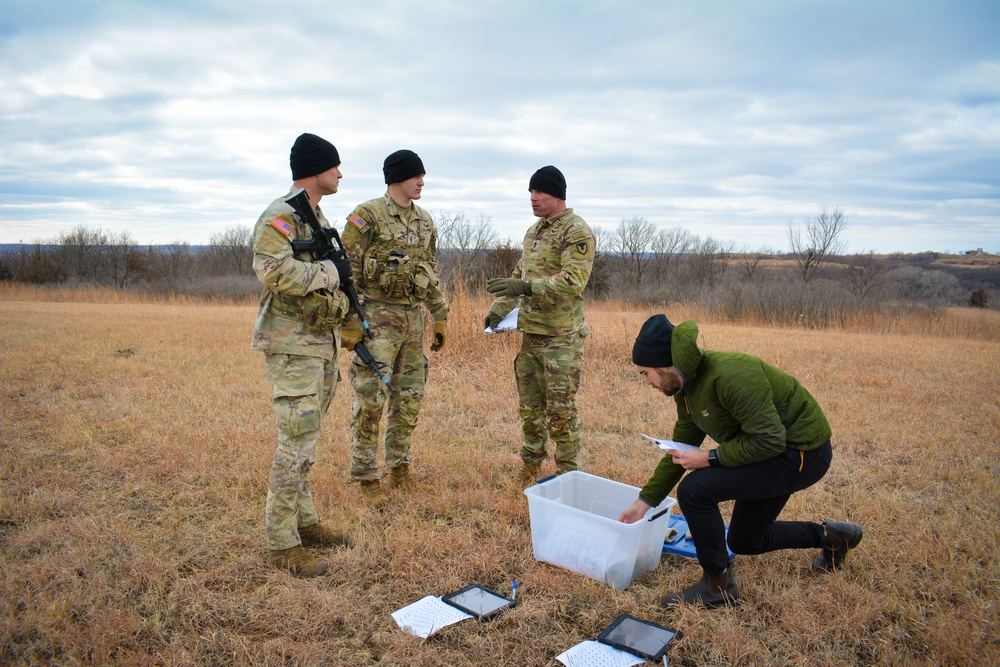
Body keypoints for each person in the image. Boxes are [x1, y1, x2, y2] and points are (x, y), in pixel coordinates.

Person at [617, 315, 863, 608]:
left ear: (665, 365)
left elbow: (770, 440)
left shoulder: (730, 375)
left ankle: (717, 587)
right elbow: (680, 451)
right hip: (771, 451)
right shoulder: (685, 391)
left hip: (802, 453)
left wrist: (710, 457)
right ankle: (834, 536)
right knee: (745, 541)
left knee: (695, 491)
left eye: (645, 373)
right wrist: (644, 503)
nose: (647, 382)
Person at [251, 132, 355, 577]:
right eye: (334, 166)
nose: (340, 174)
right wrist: (331, 271)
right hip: (293, 346)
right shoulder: (282, 216)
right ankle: (281, 543)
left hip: (319, 344)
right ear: (315, 169)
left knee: (308, 441)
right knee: (295, 442)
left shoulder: (317, 217)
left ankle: (306, 524)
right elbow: (272, 269)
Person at [339, 149, 449, 507]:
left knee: (410, 398)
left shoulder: (425, 221)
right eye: (416, 176)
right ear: (397, 178)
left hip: (412, 320)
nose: (422, 182)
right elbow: (345, 270)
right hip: (376, 319)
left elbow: (429, 271)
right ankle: (366, 474)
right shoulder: (367, 215)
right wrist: (351, 319)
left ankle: (400, 467)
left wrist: (440, 314)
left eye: (423, 177)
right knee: (371, 398)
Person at [485, 166, 595, 485]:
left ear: (557, 195)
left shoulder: (575, 230)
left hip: (562, 340)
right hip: (531, 335)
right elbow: (519, 277)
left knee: (560, 413)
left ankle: (568, 476)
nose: (533, 198)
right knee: (531, 409)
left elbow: (573, 281)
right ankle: (530, 464)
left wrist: (527, 288)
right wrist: (497, 311)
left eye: (540, 193)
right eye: (530, 193)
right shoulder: (534, 232)